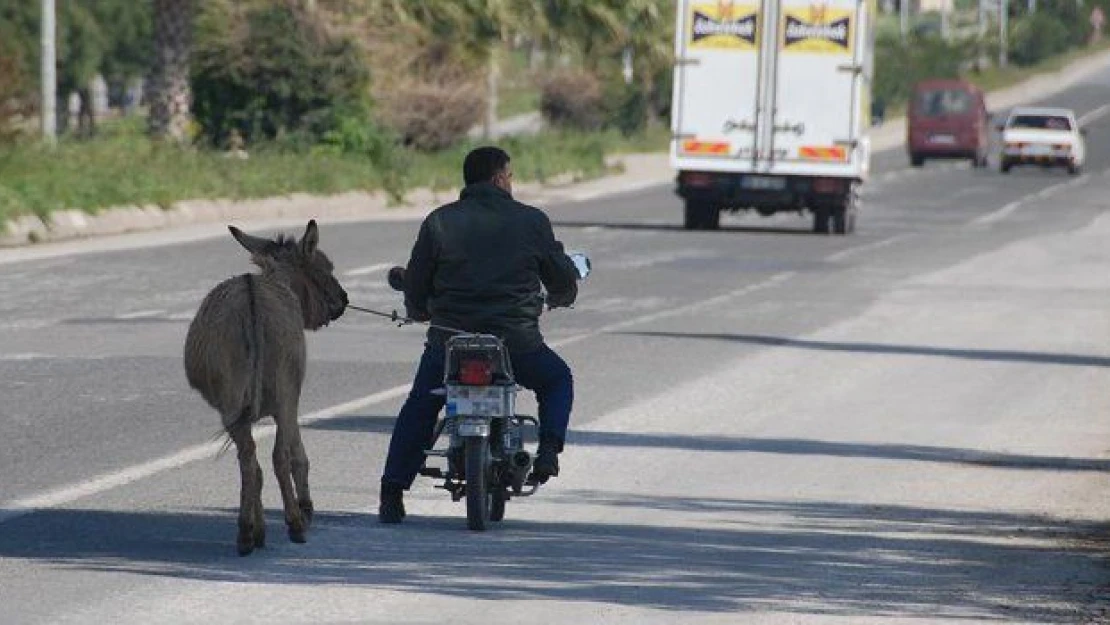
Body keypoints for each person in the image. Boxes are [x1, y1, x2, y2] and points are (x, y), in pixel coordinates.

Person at [378, 146, 581, 524]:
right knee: (556, 379)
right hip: (515, 344)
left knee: (422, 405)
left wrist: (419, 311)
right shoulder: (532, 220)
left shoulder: (439, 221)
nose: (510, 182)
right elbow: (561, 277)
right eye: (510, 175)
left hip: (450, 342)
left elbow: (416, 283)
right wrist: (562, 295)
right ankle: (550, 451)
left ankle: (392, 491)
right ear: (499, 178)